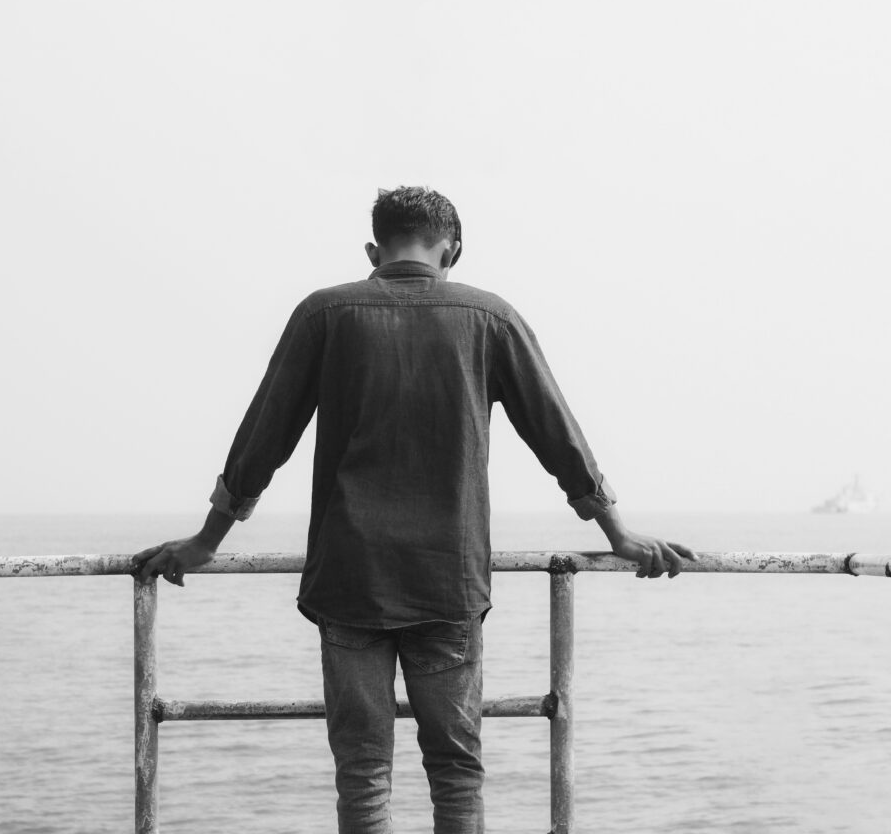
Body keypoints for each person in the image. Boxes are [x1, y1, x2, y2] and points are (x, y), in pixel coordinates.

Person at [133, 185, 696, 834]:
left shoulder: (325, 314)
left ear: (374, 248)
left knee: (364, 775)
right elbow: (557, 436)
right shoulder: (491, 318)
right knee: (456, 774)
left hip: (350, 580)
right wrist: (617, 532)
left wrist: (207, 540)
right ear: (450, 249)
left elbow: (264, 438)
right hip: (447, 581)